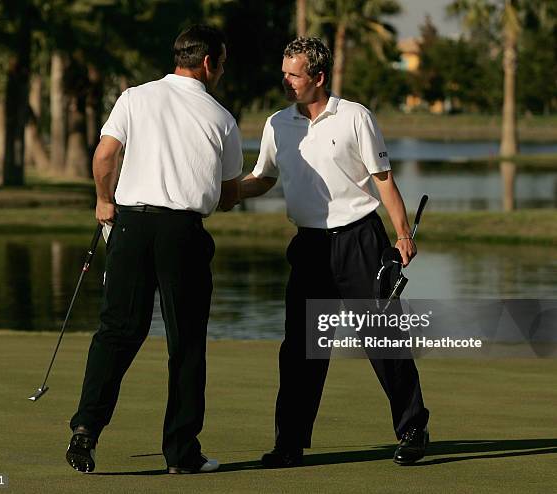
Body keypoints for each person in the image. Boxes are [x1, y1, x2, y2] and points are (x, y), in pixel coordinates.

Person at [238, 37, 430, 467]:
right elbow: (262, 178)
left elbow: (382, 180)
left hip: (360, 240)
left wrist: (402, 235)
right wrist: (224, 193)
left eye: (294, 74)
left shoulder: (356, 117)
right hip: (309, 246)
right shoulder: (276, 124)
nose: (286, 81)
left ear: (318, 77)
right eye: (284, 72)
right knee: (302, 348)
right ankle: (289, 444)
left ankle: (413, 428)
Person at [66, 24, 242, 475]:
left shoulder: (134, 97)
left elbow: (105, 156)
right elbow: (226, 195)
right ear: (208, 63)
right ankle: (182, 454)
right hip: (182, 232)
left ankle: (85, 429)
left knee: (117, 331)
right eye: (221, 63)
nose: (221, 71)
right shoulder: (222, 118)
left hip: (131, 227)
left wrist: (104, 200)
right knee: (185, 343)